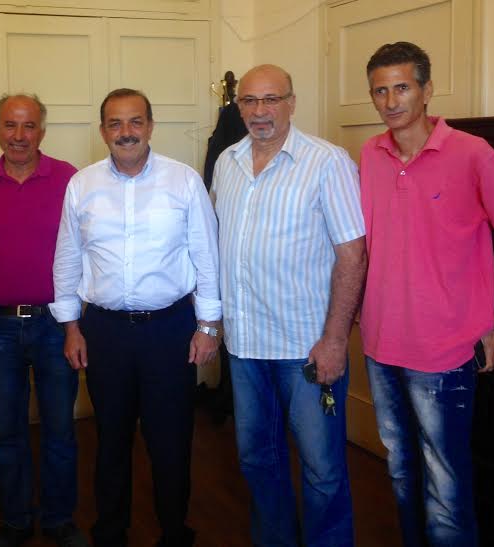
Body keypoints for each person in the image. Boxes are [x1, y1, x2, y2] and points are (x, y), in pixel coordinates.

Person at [360, 42, 494, 547]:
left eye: (402, 87)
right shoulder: (370, 154)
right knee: (400, 471)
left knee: (446, 488)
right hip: (380, 345)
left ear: (426, 90)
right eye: (380, 90)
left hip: (444, 352)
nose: (391, 101)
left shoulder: (473, 153)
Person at [50, 88, 221, 547]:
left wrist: (208, 326)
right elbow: (68, 258)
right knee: (111, 438)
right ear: (103, 129)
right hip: (104, 331)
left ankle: (174, 532)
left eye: (135, 122)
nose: (126, 132)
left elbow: (206, 256)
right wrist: (71, 327)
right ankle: (110, 532)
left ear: (150, 126)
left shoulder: (183, 181)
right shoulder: (82, 185)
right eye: (115, 123)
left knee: (171, 439)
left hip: (170, 329)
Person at [211, 65, 366, 547]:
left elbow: (352, 254)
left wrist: (336, 340)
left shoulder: (327, 162)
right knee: (257, 459)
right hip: (244, 346)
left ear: (292, 103)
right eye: (250, 101)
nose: (260, 111)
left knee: (321, 468)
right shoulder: (227, 162)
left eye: (271, 99)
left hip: (306, 348)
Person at [0, 94, 87, 547]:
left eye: (29, 126)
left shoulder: (68, 177)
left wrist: (76, 322)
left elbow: (83, 249)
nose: (19, 136)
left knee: (60, 429)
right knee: (7, 431)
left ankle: (58, 519)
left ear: (42, 131)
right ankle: (16, 520)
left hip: (55, 323)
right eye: (10, 125)